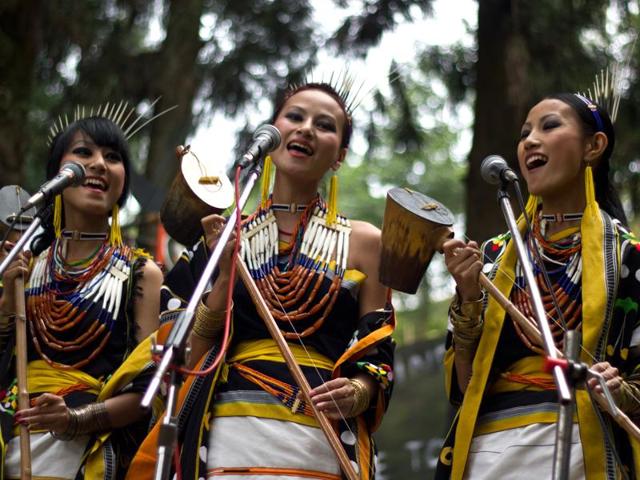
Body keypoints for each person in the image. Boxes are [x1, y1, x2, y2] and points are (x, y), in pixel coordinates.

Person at [128, 81, 396, 479]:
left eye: (324, 125)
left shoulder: (367, 243)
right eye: (294, 116)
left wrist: (358, 392)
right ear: (271, 134)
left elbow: (379, 357)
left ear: (339, 156)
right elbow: (177, 359)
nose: (305, 128)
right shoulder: (222, 239)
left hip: (319, 437)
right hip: (228, 435)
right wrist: (223, 278)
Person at [435, 91, 640, 479]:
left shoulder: (629, 257)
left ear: (594, 146)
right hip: (490, 452)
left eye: (550, 126)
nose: (530, 140)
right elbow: (465, 385)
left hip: (583, 450)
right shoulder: (494, 255)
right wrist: (467, 295)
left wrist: (619, 390)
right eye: (525, 132)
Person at [0, 115, 163, 479]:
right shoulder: (25, 266)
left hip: (85, 456)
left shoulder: (140, 274)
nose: (99, 164)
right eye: (83, 152)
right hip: (12, 445)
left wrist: (74, 420)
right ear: (56, 174)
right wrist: (8, 304)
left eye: (113, 156)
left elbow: (146, 390)